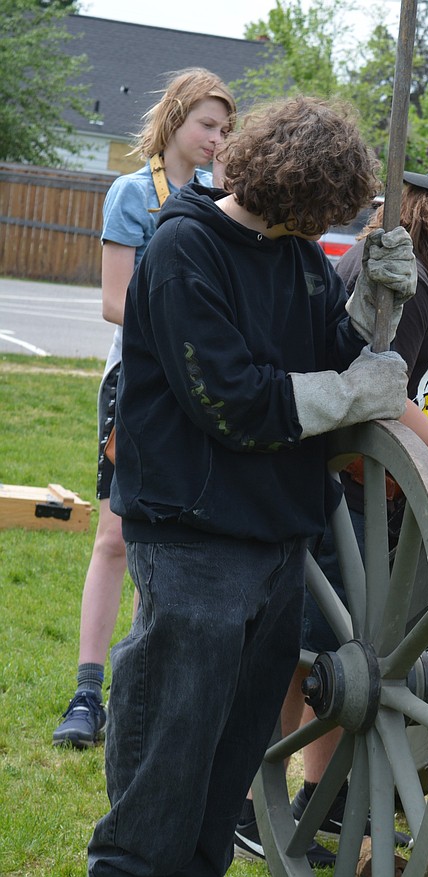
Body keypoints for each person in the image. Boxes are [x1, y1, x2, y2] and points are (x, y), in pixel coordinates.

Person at [88, 95, 414, 877]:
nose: (321, 231)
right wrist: (352, 392)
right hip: (196, 532)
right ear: (294, 195)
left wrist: (372, 299)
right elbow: (231, 401)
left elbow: (328, 350)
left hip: (276, 533)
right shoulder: (183, 252)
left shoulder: (295, 253)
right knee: (173, 738)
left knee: (233, 749)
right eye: (319, 214)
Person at [264, 152, 428, 852]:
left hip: (358, 484)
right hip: (333, 490)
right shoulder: (401, 278)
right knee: (304, 654)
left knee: (342, 653)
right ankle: (247, 798)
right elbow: (384, 400)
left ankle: (322, 799)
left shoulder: (410, 272)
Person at [53, 68, 236, 750]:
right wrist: (193, 335)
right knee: (115, 539)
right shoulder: (133, 193)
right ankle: (86, 693)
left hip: (201, 391)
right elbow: (113, 301)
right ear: (175, 120)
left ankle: (143, 687)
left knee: (171, 546)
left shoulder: (224, 204)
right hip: (138, 385)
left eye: (224, 129)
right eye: (206, 126)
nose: (216, 140)